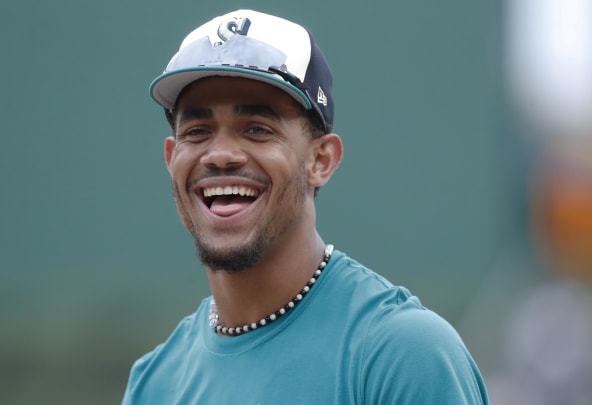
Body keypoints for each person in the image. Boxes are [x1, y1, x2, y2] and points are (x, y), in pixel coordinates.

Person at [123, 9, 488, 404]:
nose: (221, 155)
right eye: (197, 132)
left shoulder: (400, 354)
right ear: (171, 159)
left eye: (257, 130)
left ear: (321, 160)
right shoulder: (155, 383)